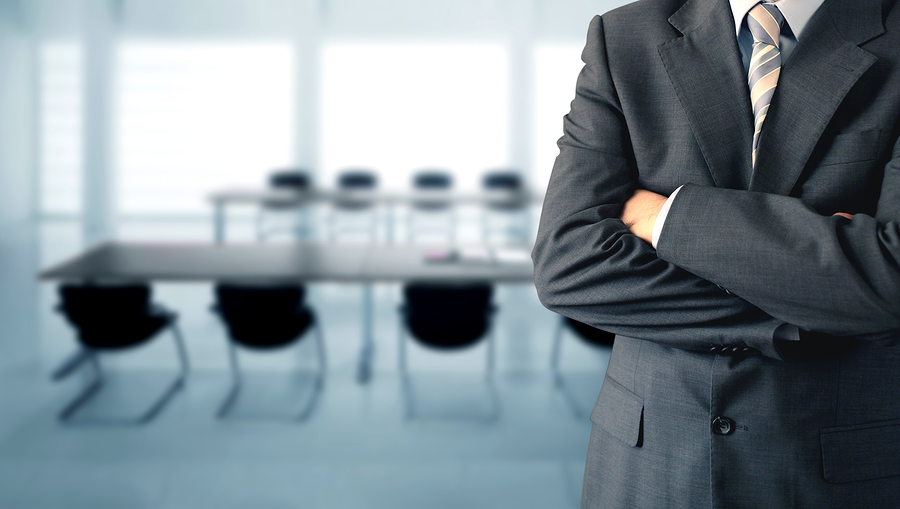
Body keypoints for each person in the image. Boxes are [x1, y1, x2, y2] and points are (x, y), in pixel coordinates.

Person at [531, 0, 900, 506]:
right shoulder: (623, 36)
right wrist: (809, 297)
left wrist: (665, 220)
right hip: (648, 464)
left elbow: (889, 279)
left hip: (837, 471)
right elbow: (567, 265)